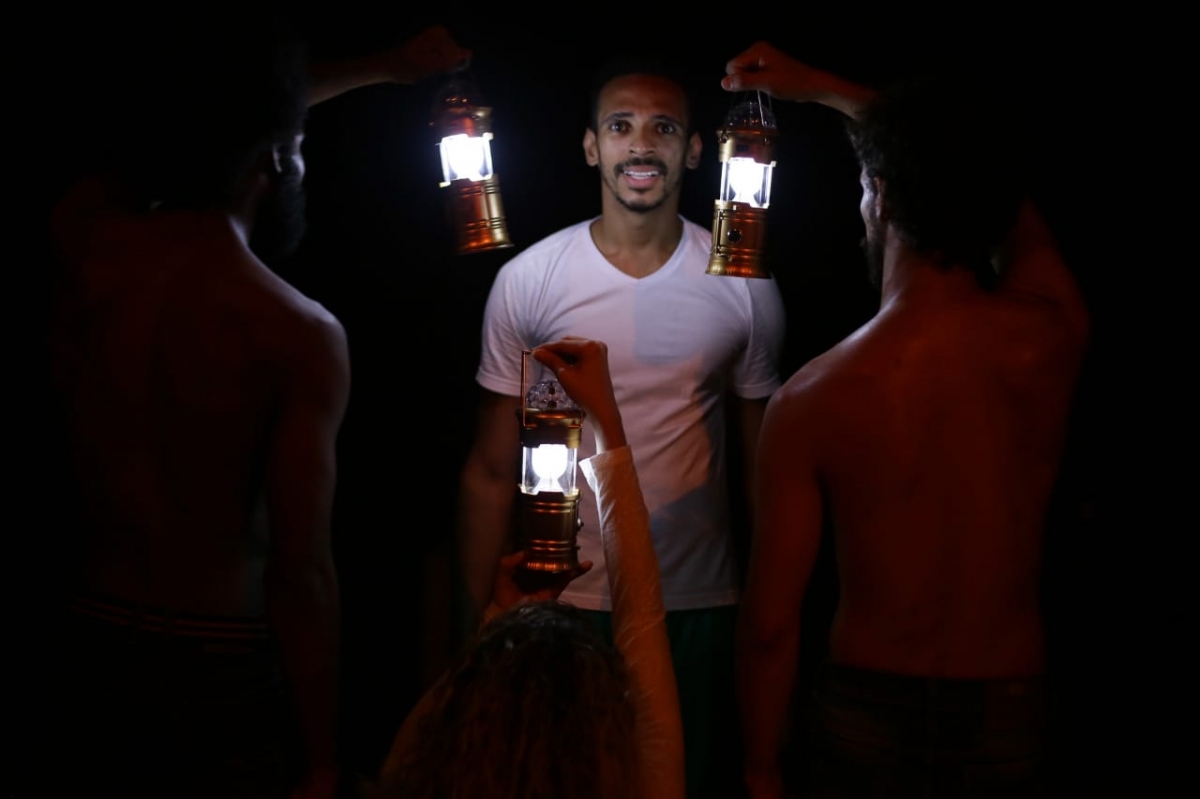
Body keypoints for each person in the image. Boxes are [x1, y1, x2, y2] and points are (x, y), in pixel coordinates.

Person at [23, 12, 470, 799]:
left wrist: (378, 68)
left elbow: (156, 146)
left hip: (84, 638)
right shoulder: (297, 332)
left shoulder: (82, 245)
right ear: (277, 155)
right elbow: (301, 570)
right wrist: (323, 760)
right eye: (295, 140)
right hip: (218, 661)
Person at [723, 43, 1090, 798]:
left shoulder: (814, 397)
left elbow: (770, 627)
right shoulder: (1049, 337)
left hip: (869, 713)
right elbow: (1004, 195)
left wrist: (760, 770)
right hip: (1007, 708)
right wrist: (829, 91)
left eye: (867, 188)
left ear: (882, 197)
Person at [456, 54, 786, 798]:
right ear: (590, 146)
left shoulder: (744, 284)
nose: (641, 144)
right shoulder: (530, 280)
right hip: (559, 599)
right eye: (621, 126)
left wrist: (768, 616)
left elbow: (765, 472)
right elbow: (489, 468)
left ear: (695, 151)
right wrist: (475, 622)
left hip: (695, 600)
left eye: (662, 128)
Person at [373, 337, 685, 799]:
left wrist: (496, 618)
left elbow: (404, 759)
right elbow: (641, 620)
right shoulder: (643, 784)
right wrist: (607, 426)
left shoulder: (437, 775)